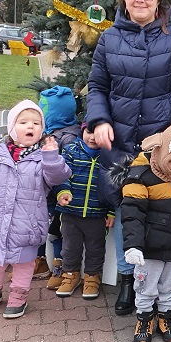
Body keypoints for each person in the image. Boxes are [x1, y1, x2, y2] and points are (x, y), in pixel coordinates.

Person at [85, 0, 171, 316]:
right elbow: (97, 86)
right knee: (127, 210)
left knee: (160, 212)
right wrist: (99, 120)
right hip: (120, 142)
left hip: (159, 144)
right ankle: (126, 280)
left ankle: (154, 287)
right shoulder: (109, 38)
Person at [0, 100, 71, 319]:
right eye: (23, 122)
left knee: (24, 263)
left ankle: (19, 295)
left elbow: (58, 177)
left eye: (36, 123)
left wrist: (51, 157)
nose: (30, 126)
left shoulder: (44, 157)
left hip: (27, 225)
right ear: (12, 127)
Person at [120, 120, 171, 342]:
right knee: (146, 285)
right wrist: (133, 245)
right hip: (150, 246)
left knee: (170, 284)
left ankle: (166, 317)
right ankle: (144, 319)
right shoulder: (140, 175)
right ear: (163, 152)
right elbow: (132, 212)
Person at [53, 126, 115, 300]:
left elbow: (114, 185)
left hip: (98, 213)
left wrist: (111, 211)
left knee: (96, 248)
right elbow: (62, 175)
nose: (93, 137)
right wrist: (63, 192)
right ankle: (70, 275)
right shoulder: (71, 151)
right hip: (70, 211)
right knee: (70, 247)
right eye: (89, 132)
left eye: (97, 133)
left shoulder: (110, 156)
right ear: (82, 132)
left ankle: (92, 277)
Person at [38, 85, 82, 285]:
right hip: (42, 192)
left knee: (57, 231)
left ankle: (59, 265)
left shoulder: (68, 138)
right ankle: (39, 262)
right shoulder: (43, 134)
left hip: (59, 194)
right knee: (40, 228)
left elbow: (65, 169)